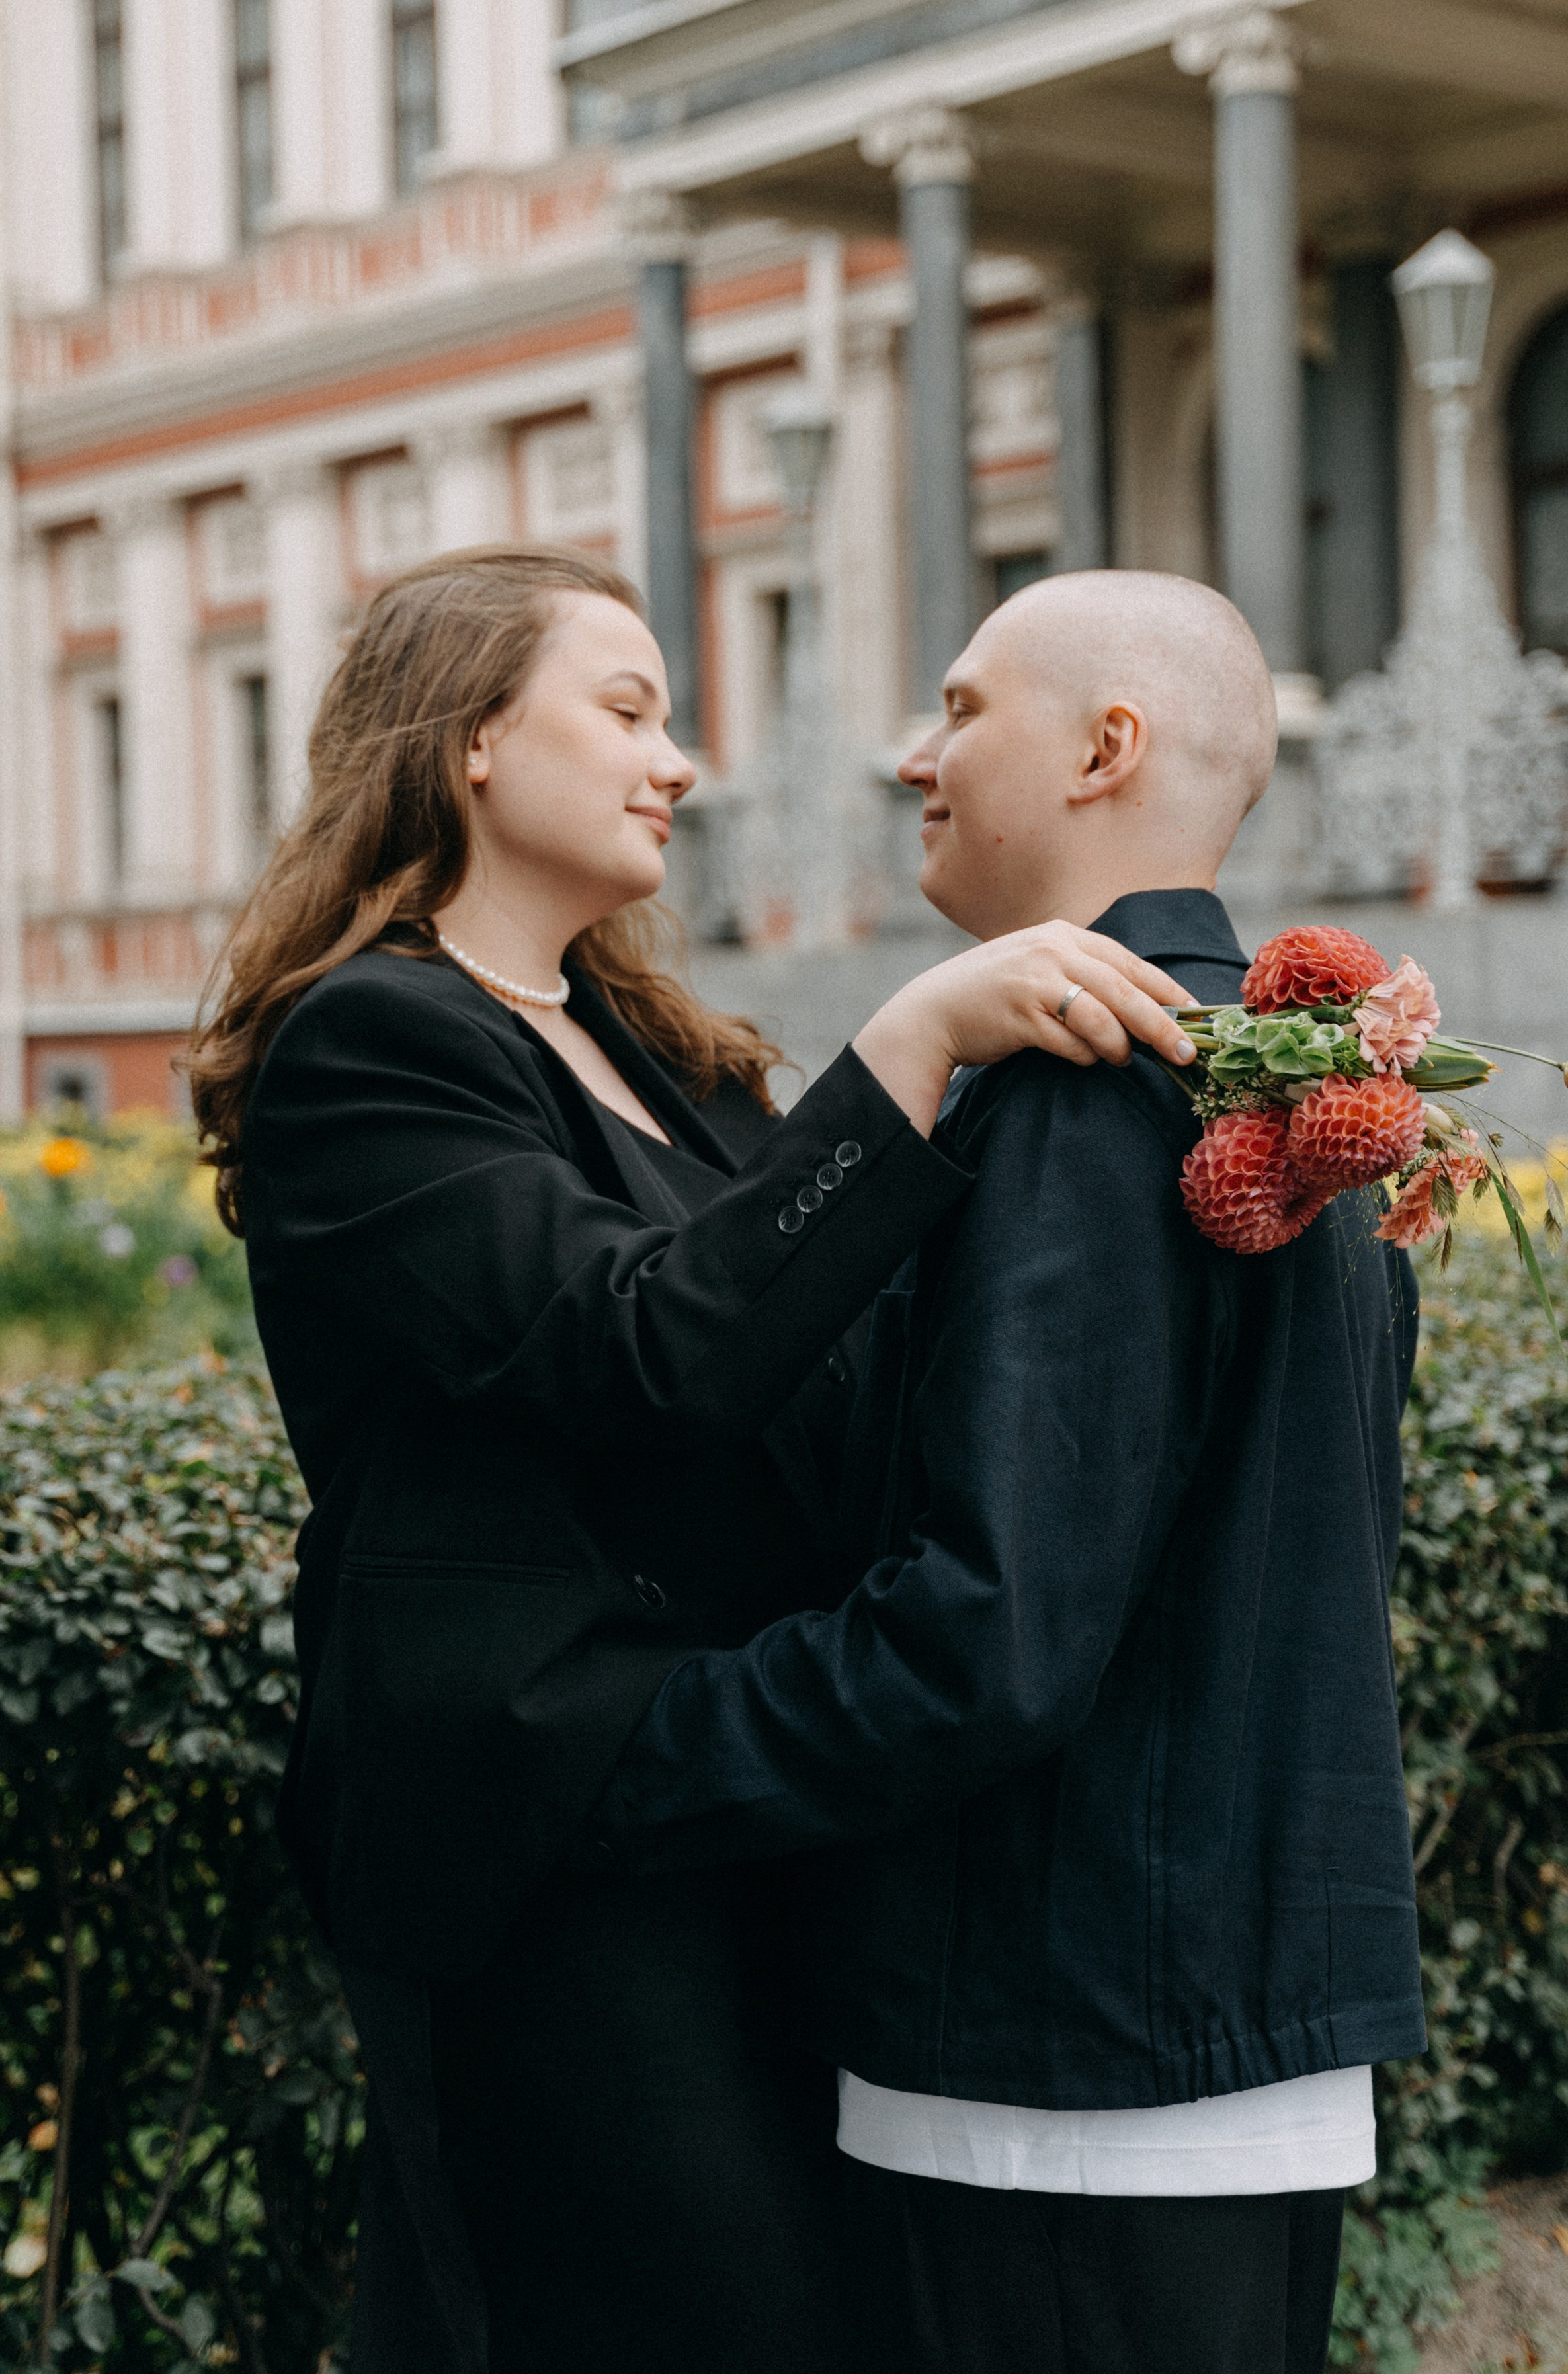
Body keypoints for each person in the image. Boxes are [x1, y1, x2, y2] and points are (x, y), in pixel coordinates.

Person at [185, 545, 1200, 2374]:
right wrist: (913, 1029)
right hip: (542, 1838)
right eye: (632, 711)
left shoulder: (675, 1052)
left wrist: (1239, 1172)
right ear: (473, 739)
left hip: (745, 1801)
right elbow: (656, 1351)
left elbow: (851, 1368)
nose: (682, 762)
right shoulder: (377, 1045)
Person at [589, 570, 1426, 2374]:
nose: (913, 756)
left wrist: (634, 1753)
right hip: (1227, 2038)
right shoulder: (1271, 1083)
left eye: (963, 709)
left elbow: (992, 1631)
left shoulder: (1076, 1094)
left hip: (1061, 2064)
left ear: (1107, 747)